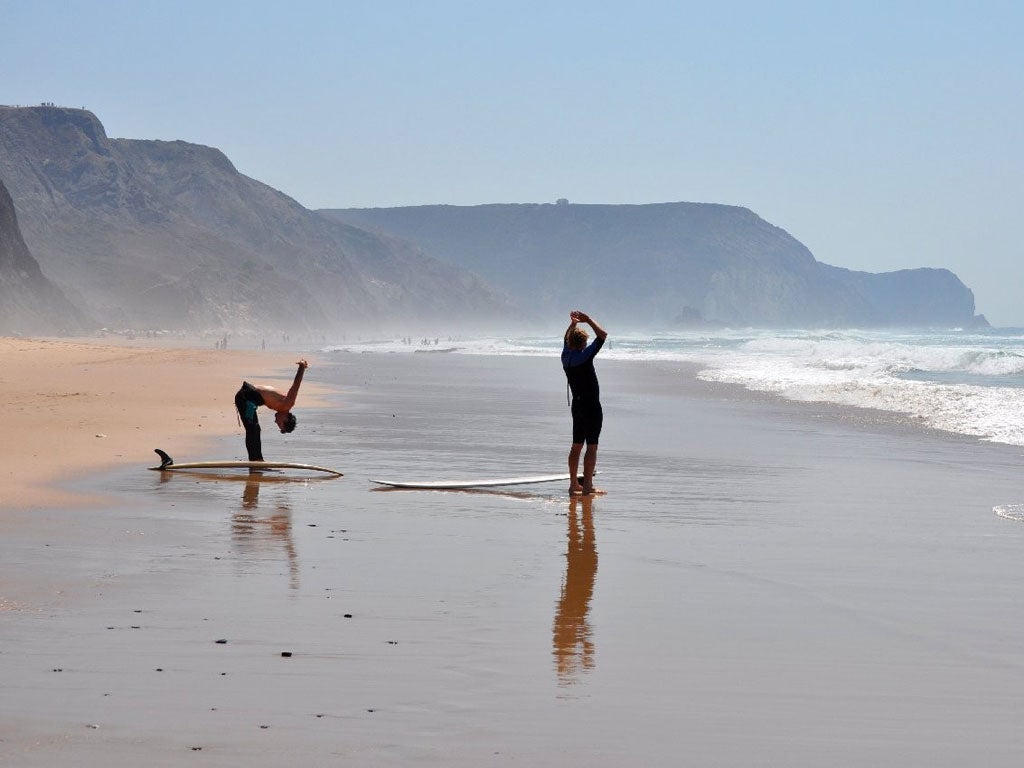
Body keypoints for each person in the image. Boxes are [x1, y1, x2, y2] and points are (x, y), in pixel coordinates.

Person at [562, 311, 607, 495]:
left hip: (577, 406)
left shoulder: (566, 357)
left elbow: (566, 339)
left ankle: (574, 484)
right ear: (582, 344)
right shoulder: (585, 356)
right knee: (592, 446)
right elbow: (602, 335)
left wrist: (573, 324)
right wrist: (587, 320)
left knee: (576, 445)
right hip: (591, 407)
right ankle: (587, 486)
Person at [234, 359, 309, 464]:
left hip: (249, 399)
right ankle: (256, 460)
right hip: (246, 396)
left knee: (254, 429)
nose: (275, 422)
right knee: (253, 429)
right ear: (285, 419)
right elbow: (296, 385)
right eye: (279, 424)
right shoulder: (288, 403)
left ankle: (256, 459)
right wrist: (302, 367)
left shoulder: (282, 406)